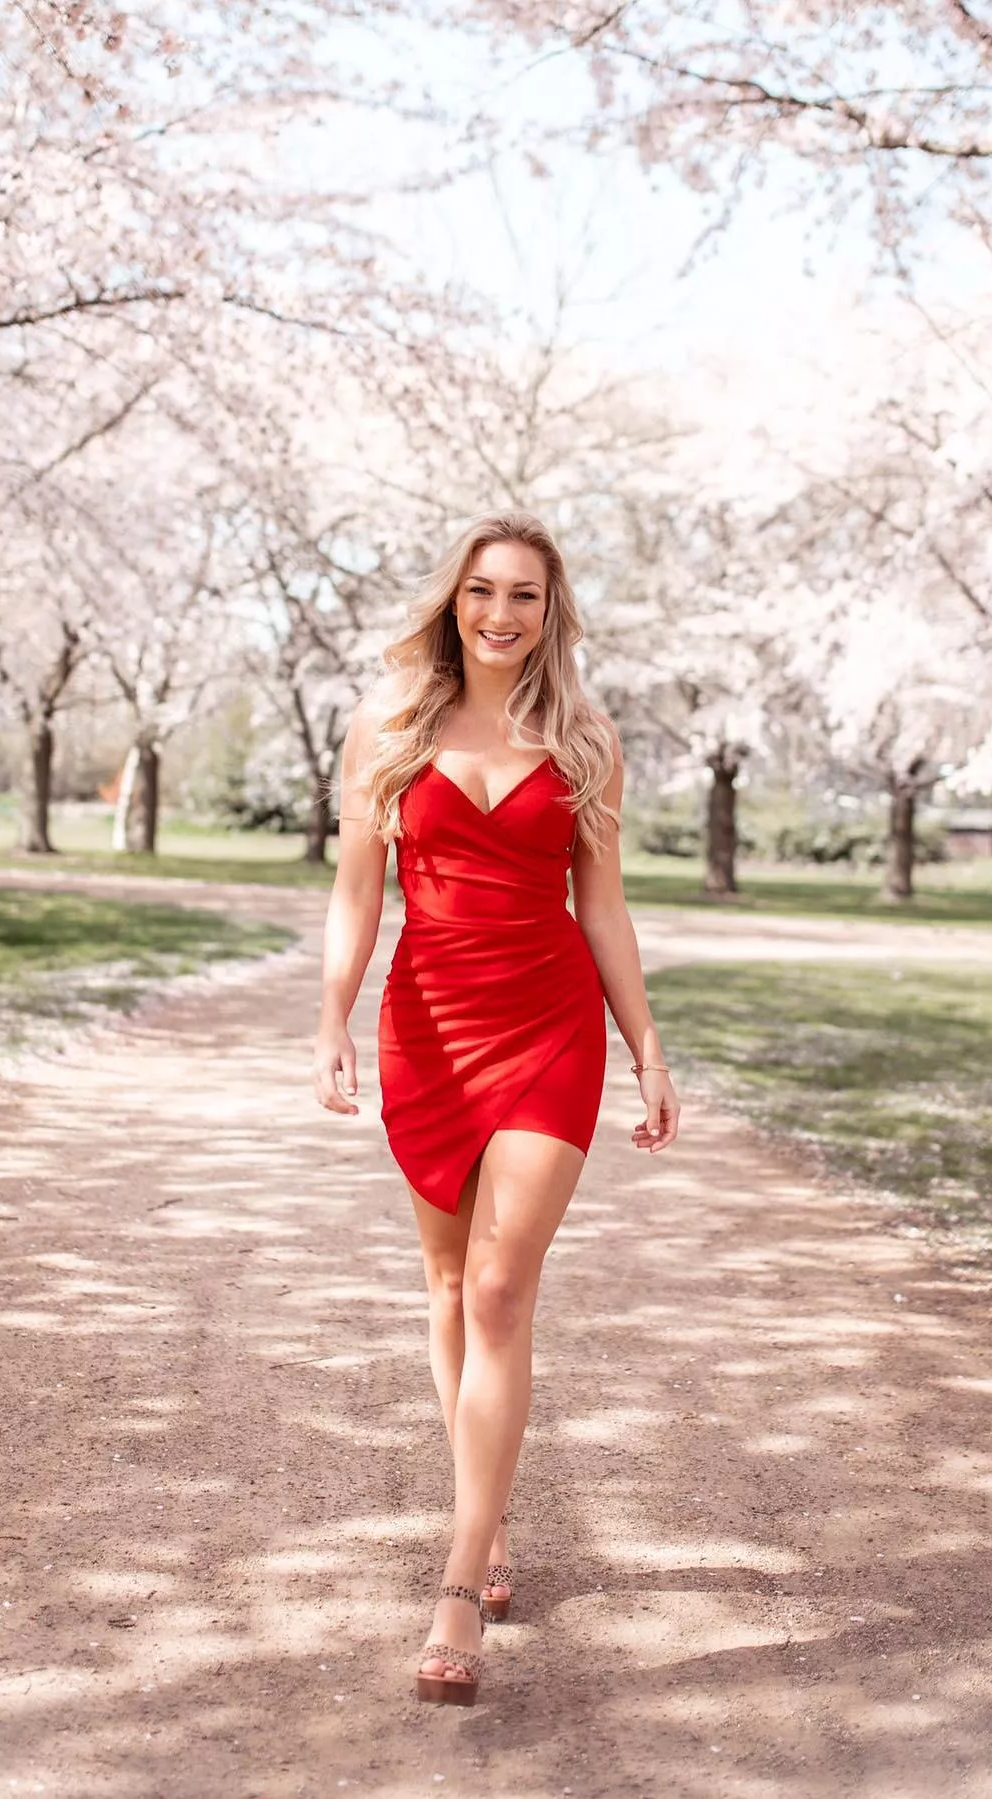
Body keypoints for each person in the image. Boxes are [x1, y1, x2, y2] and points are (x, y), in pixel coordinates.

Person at [313, 510, 679, 1705]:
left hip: (547, 1026)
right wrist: (331, 1017)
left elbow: (604, 904)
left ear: (550, 610)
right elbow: (356, 893)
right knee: (443, 1287)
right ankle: (493, 1507)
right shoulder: (390, 724)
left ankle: (462, 1580)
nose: (501, 613)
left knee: (498, 1289)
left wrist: (647, 1045)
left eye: (524, 594)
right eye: (482, 590)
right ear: (453, 600)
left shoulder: (584, 738)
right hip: (427, 1027)